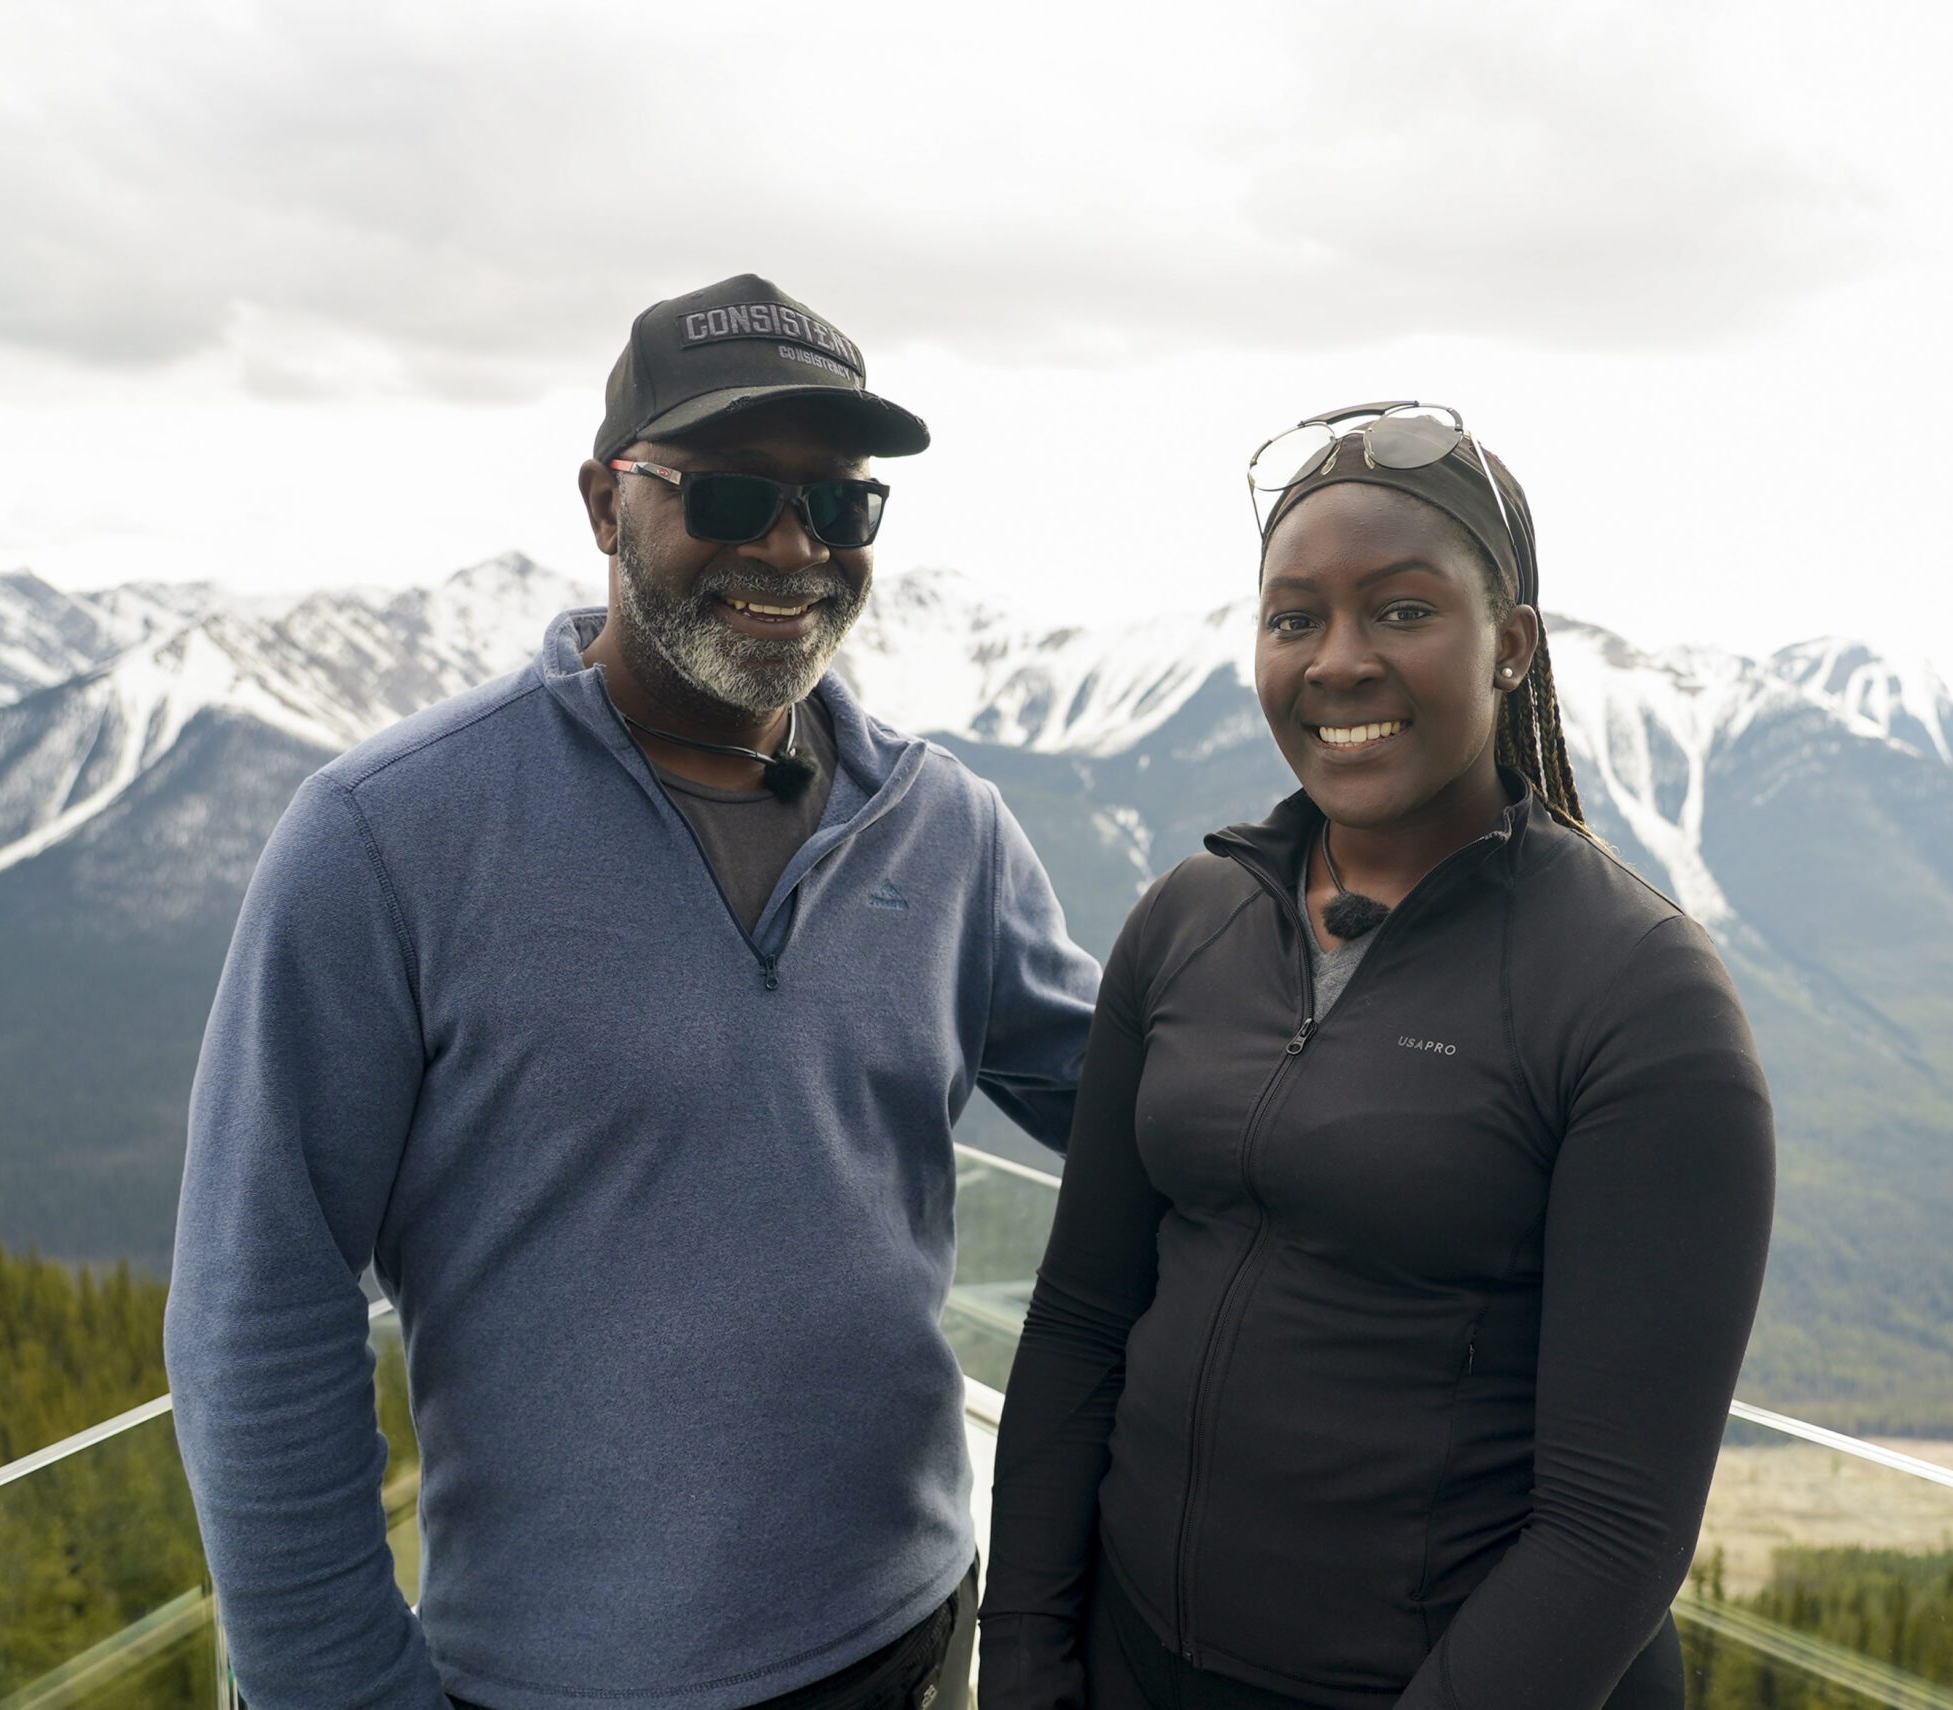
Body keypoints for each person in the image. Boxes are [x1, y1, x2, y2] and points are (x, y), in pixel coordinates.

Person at [166, 275, 1099, 1710]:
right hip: (559, 1680)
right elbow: (256, 1303)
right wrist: (340, 1687)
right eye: (729, 495)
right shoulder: (387, 836)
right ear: (607, 504)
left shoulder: (947, 827)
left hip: (916, 1632)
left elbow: (1154, 1102)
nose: (792, 546)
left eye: (841, 507)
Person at [978, 403, 1775, 1709]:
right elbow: (1078, 1325)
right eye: (1295, 617)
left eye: (1401, 610)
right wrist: (1022, 1657)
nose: (1338, 659)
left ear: (1511, 644)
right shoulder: (1189, 919)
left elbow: (1611, 1532)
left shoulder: (1637, 997)